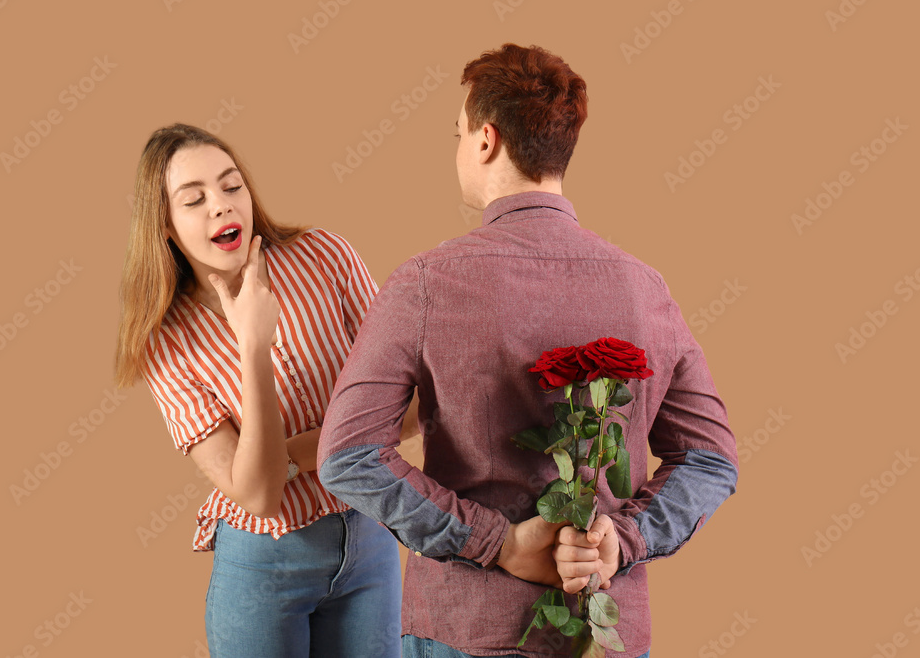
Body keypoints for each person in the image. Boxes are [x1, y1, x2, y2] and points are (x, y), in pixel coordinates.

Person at [317, 44, 739, 657]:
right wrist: (621, 539)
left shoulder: (425, 283)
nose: (459, 147)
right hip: (608, 635)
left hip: (467, 630)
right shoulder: (643, 287)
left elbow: (349, 454)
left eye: (458, 132)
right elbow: (710, 459)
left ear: (486, 140)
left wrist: (499, 543)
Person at [114, 123, 408, 658]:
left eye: (231, 186)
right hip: (264, 565)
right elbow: (258, 495)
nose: (221, 207)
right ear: (165, 227)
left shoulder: (326, 256)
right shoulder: (164, 343)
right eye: (194, 199)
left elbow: (408, 406)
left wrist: (291, 458)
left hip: (371, 539)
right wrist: (253, 345)